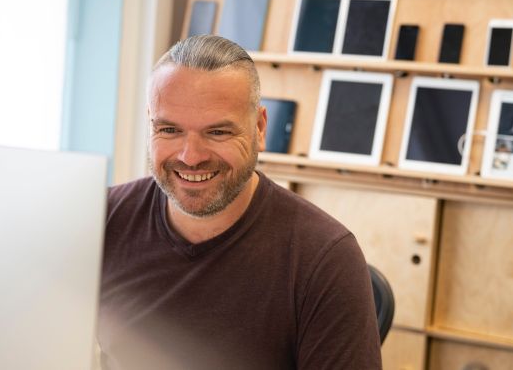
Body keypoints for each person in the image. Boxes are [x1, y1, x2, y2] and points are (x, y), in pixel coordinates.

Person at [97, 35, 382, 370]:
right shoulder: (100, 221)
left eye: (217, 133)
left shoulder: (325, 257)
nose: (191, 157)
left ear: (259, 128)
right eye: (170, 129)